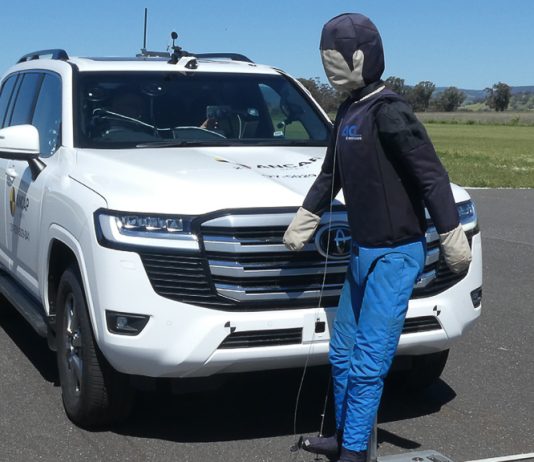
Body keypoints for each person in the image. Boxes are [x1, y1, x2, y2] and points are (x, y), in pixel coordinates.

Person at [283, 13, 471, 462]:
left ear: (362, 57)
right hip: (361, 253)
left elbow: (431, 176)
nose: (330, 67)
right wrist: (305, 217)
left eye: (336, 58)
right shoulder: (348, 110)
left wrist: (451, 234)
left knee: (369, 360)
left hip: (395, 256)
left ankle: (354, 452)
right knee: (342, 351)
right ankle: (344, 435)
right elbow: (330, 175)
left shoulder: (390, 112)